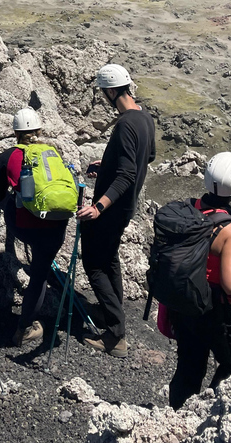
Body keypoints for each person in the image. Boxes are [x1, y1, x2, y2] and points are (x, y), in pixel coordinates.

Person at [167, 152, 231, 410]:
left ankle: (177, 415)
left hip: (184, 300)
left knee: (189, 365)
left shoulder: (190, 208)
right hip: (214, 309)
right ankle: (210, 414)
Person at [76, 64, 156, 358]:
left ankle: (116, 335)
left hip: (112, 208)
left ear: (110, 91)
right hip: (127, 206)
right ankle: (113, 313)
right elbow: (146, 156)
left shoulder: (124, 124)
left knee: (94, 265)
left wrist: (98, 207)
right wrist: (106, 164)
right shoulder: (144, 118)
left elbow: (126, 175)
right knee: (109, 258)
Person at [0, 108, 69, 346]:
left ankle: (23, 331)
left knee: (8, 201)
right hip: (55, 224)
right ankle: (24, 326)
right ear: (39, 130)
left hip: (24, 226)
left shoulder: (6, 156)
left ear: (16, 132)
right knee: (39, 275)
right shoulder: (52, 152)